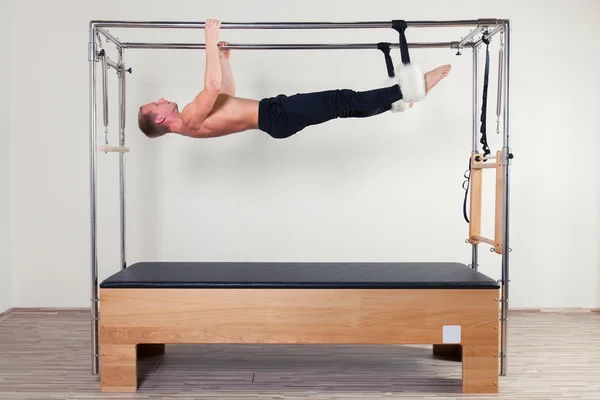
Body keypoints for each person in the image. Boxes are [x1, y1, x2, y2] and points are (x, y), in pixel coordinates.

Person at [138, 19, 451, 140]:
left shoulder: (195, 118)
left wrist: (222, 59)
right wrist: (208, 41)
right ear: (161, 118)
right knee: (342, 99)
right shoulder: (190, 117)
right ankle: (412, 87)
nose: (161, 98)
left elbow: (226, 94)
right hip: (276, 115)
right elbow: (213, 87)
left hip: (274, 115)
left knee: (346, 107)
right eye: (156, 103)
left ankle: (400, 99)